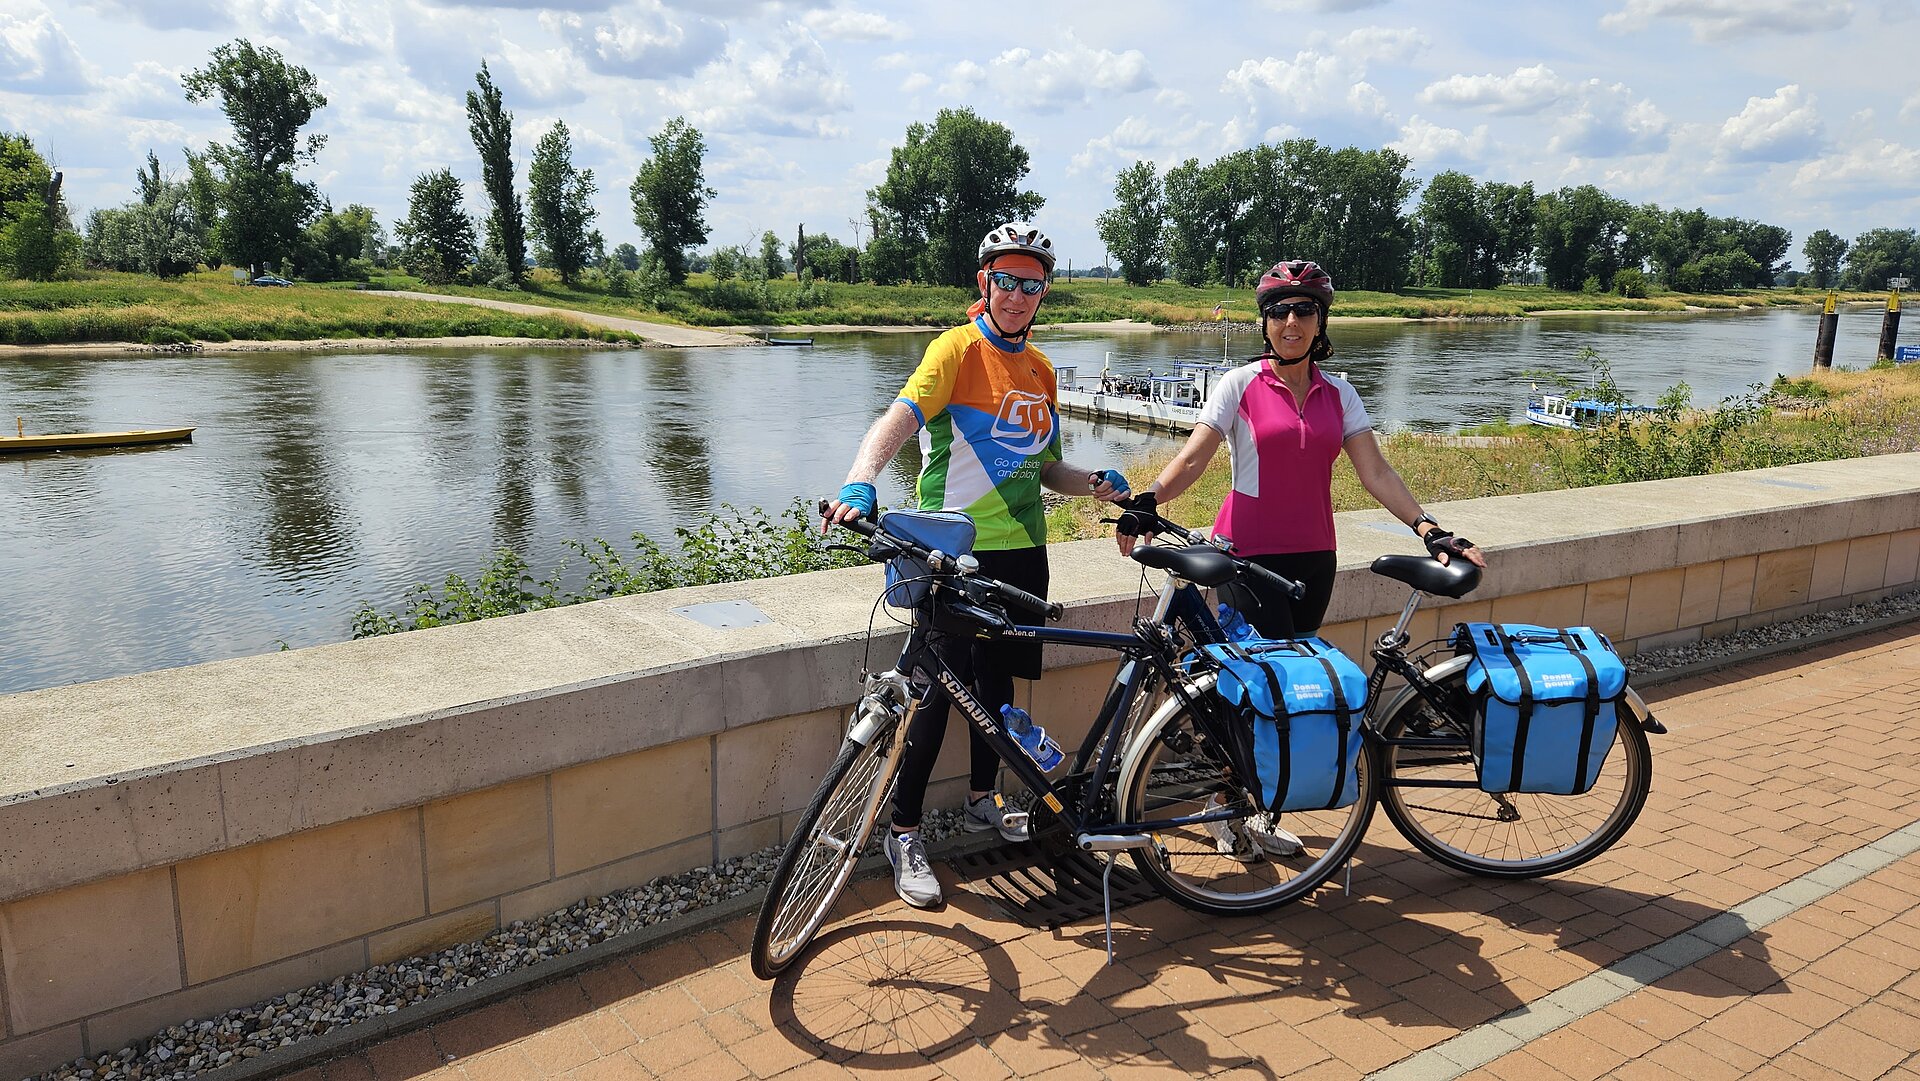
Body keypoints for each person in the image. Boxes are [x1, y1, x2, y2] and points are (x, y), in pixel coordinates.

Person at [1114, 258, 1488, 860]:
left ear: (1321, 321)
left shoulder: (1339, 393)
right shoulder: (1238, 386)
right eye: (1279, 311)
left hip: (1313, 562)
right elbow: (1193, 460)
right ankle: (1225, 808)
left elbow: (1376, 472)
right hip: (1246, 560)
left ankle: (1255, 807)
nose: (1291, 321)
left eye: (1304, 310)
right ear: (1265, 322)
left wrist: (1430, 528)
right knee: (1248, 688)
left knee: (1290, 690)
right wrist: (1146, 502)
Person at [823, 222, 1132, 908]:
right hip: (954, 550)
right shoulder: (957, 349)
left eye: (1032, 282)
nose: (1018, 294)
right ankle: (903, 831)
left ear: (1044, 288)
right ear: (983, 282)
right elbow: (899, 418)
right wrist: (860, 477)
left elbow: (1044, 467)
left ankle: (981, 799)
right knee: (932, 694)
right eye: (1006, 280)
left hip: (1022, 550)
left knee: (996, 691)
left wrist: (1095, 483)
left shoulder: (1042, 368)